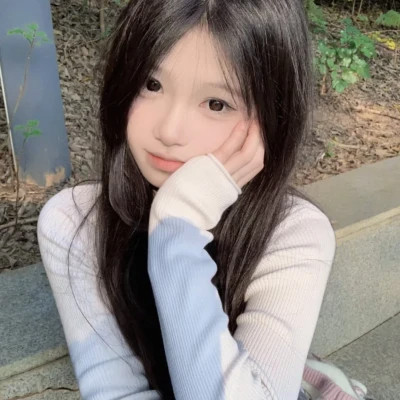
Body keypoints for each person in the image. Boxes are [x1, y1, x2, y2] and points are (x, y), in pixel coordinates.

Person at [37, 0, 338, 399]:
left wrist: (176, 227)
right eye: (151, 84)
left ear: (274, 118)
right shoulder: (76, 222)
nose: (170, 130)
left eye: (217, 104)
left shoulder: (295, 232)